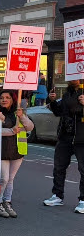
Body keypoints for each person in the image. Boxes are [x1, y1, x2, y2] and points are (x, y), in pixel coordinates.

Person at [43, 80, 84, 213]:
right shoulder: (67, 94)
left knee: (83, 169)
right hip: (65, 136)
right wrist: (53, 101)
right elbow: (59, 112)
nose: (73, 80)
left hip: (81, 138)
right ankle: (57, 195)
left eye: (75, 78)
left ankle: (83, 200)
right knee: (59, 166)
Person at [0, 90, 34, 218]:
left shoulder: (18, 112)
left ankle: (7, 202)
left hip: (17, 150)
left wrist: (22, 116)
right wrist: (11, 130)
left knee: (10, 179)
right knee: (3, 179)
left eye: (7, 98)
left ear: (12, 100)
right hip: (2, 150)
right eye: (2, 98)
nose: (4, 100)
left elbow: (30, 127)